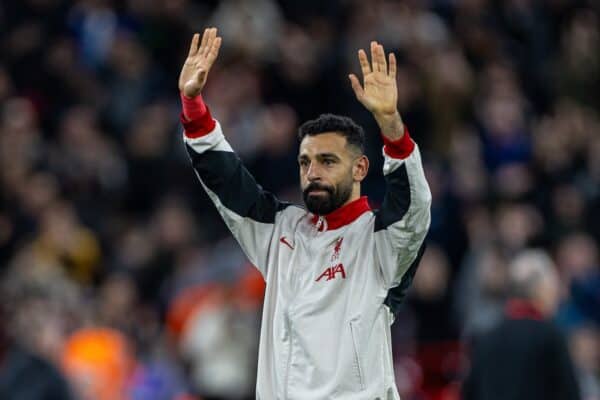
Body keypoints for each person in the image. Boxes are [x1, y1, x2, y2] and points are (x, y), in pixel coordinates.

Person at [178, 27, 431, 399]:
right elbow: (227, 184)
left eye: (328, 161)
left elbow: (414, 207)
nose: (312, 172)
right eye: (305, 162)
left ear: (360, 169)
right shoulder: (280, 229)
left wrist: (392, 126)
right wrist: (193, 106)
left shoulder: (380, 242)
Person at [462, 250, 581, 400]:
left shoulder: (486, 337)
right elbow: (569, 394)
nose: (557, 294)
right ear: (540, 290)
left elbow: (469, 393)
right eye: (553, 286)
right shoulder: (550, 336)